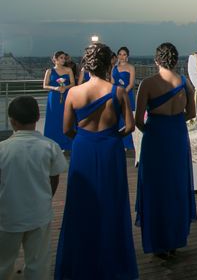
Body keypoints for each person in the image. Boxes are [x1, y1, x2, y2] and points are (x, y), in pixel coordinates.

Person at [54, 43, 138, 280]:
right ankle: (113, 261)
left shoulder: (74, 92)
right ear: (107, 63)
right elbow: (130, 127)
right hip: (110, 148)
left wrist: (84, 138)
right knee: (112, 202)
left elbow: (66, 129)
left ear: (87, 64)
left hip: (83, 149)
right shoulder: (118, 92)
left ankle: (81, 261)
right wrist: (111, 136)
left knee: (81, 204)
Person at [135, 42, 197, 258]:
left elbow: (138, 120)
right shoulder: (184, 82)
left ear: (156, 60)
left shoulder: (148, 84)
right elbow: (191, 114)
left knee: (155, 188)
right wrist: (174, 123)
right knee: (176, 187)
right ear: (175, 60)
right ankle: (175, 239)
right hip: (178, 137)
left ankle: (159, 241)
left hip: (156, 138)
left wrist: (153, 129)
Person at [0, 96, 67, 280]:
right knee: (38, 262)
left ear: (12, 120)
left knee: (3, 262)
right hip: (39, 213)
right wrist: (46, 198)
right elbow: (55, 178)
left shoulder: (3, 148)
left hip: (8, 216)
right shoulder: (50, 146)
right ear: (37, 118)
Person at [43, 51, 75, 151]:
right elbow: (45, 85)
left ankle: (67, 144)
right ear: (55, 59)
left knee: (66, 117)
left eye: (64, 58)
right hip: (54, 97)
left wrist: (65, 87)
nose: (63, 60)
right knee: (54, 118)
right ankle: (53, 144)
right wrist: (55, 88)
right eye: (61, 58)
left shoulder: (69, 70)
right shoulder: (49, 71)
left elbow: (73, 83)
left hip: (66, 96)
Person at [112, 46, 135, 149]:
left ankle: (128, 143)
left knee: (127, 117)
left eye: (124, 54)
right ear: (117, 56)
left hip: (127, 95)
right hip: (116, 95)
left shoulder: (131, 67)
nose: (122, 56)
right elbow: (112, 82)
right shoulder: (114, 68)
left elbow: (131, 84)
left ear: (127, 56)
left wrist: (123, 93)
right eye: (120, 54)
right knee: (117, 118)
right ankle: (119, 141)